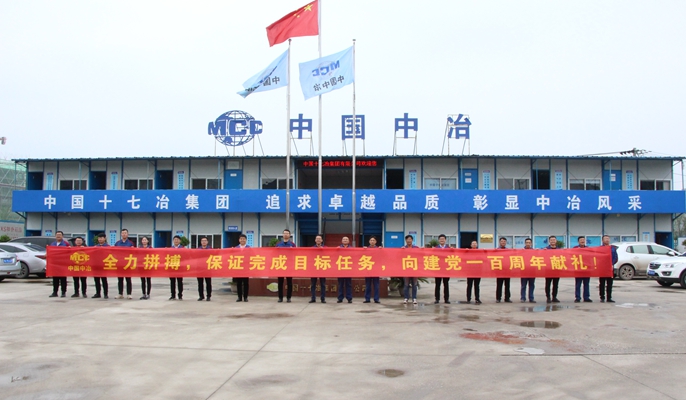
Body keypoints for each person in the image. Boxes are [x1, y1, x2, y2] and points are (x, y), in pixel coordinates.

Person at [276, 229, 296, 303]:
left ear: (289, 235)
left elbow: (296, 254)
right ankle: (280, 297)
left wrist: (292, 250)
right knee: (280, 282)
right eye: (284, 233)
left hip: (289, 265)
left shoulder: (292, 244)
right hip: (280, 264)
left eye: (287, 233)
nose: (286, 234)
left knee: (289, 282)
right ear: (282, 235)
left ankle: (288, 297)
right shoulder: (278, 244)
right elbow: (274, 254)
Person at [114, 229, 134, 299]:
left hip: (128, 263)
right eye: (123, 233)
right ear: (121, 234)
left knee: (128, 279)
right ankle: (120, 293)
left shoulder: (130, 243)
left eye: (125, 233)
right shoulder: (117, 243)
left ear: (128, 234)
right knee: (120, 279)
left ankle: (129, 294)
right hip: (119, 263)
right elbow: (114, 252)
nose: (124, 234)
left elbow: (133, 252)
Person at [48, 231, 70, 298]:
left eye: (60, 235)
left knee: (63, 279)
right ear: (55, 236)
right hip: (55, 264)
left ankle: (63, 292)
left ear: (62, 236)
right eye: (57, 235)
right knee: (55, 279)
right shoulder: (53, 244)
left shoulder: (65, 244)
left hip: (63, 264)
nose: (58, 236)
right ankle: (55, 292)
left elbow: (69, 252)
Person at [573, 236, 592, 303]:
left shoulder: (588, 249)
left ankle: (586, 297)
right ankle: (577, 297)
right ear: (578, 241)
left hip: (586, 269)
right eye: (581, 240)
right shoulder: (575, 248)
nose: (582, 241)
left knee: (586, 284)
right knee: (578, 284)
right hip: (578, 269)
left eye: (583, 240)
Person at [402, 235, 419, 305]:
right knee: (406, 284)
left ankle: (414, 298)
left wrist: (422, 249)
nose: (409, 240)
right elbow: (399, 256)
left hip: (414, 269)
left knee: (414, 284)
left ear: (412, 240)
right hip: (406, 269)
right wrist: (401, 251)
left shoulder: (416, 248)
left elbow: (421, 255)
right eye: (407, 239)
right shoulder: (403, 248)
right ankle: (406, 298)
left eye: (410, 239)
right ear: (406, 240)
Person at [363, 236, 381, 304]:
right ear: (369, 241)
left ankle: (376, 299)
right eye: (371, 240)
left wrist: (381, 249)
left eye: (373, 240)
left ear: (376, 242)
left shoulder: (379, 249)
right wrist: (363, 250)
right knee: (368, 285)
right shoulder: (366, 249)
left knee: (376, 285)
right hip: (368, 269)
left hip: (376, 269)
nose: (372, 241)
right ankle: (367, 298)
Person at [434, 234, 450, 304]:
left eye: (443, 239)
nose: (442, 240)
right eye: (440, 239)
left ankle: (446, 299)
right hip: (438, 269)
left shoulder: (449, 248)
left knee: (446, 284)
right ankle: (437, 299)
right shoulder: (435, 248)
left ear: (445, 240)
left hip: (446, 269)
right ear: (438, 240)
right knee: (437, 285)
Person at [309, 234, 326, 304]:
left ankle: (323, 298)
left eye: (319, 238)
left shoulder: (326, 248)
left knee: (323, 284)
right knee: (313, 284)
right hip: (314, 268)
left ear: (322, 240)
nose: (318, 240)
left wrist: (323, 250)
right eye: (317, 238)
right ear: (315, 240)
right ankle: (313, 298)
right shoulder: (311, 248)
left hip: (322, 267)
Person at [599, 235, 616, 303]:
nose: (607, 240)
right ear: (602, 240)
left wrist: (612, 263)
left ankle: (609, 297)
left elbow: (615, 257)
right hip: (602, 268)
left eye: (608, 238)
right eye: (605, 238)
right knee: (602, 283)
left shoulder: (612, 248)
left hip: (610, 268)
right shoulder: (600, 248)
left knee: (610, 283)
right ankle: (602, 297)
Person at [92, 233, 109, 299]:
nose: (100, 239)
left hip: (104, 266)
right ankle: (98, 293)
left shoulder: (108, 247)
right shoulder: (95, 247)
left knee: (104, 280)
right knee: (96, 280)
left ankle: (105, 294)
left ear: (104, 238)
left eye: (101, 238)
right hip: (96, 266)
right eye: (99, 238)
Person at [337, 236, 353, 303]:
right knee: (340, 284)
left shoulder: (352, 249)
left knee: (348, 284)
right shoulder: (338, 248)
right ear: (342, 241)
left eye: (346, 239)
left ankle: (349, 298)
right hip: (340, 268)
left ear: (349, 241)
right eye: (344, 239)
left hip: (348, 269)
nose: (345, 240)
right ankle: (340, 298)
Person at [495, 237, 512, 303]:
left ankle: (507, 298)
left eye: (504, 241)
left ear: (506, 242)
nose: (503, 242)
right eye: (502, 241)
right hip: (499, 270)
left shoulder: (508, 250)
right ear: (499, 242)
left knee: (507, 285)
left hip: (507, 270)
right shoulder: (496, 250)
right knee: (499, 285)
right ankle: (498, 298)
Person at [545, 235, 561, 303]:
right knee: (548, 284)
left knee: (555, 285)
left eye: (554, 240)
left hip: (556, 269)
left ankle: (554, 297)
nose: (552, 241)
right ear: (549, 241)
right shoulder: (546, 249)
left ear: (556, 241)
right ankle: (548, 297)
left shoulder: (559, 250)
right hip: (548, 269)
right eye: (551, 240)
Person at [235, 234, 250, 302]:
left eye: (244, 239)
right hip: (238, 268)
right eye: (241, 239)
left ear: (246, 240)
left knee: (246, 283)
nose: (242, 240)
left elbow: (252, 256)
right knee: (239, 283)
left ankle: (245, 297)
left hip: (246, 268)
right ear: (239, 240)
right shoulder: (236, 248)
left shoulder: (249, 248)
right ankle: (239, 297)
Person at [520, 238, 536, 303]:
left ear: (531, 243)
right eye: (527, 242)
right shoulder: (521, 251)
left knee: (531, 285)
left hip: (532, 271)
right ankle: (523, 298)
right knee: (523, 285)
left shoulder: (534, 251)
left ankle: (531, 298)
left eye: (529, 243)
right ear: (525, 243)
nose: (528, 244)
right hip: (524, 271)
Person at [196, 237, 212, 301]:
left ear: (207, 242)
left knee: (208, 283)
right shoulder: (197, 250)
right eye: (202, 241)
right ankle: (201, 296)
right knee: (200, 283)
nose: (204, 242)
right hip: (199, 268)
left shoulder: (210, 249)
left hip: (208, 268)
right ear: (201, 242)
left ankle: (208, 296)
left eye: (205, 241)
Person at [169, 235, 184, 300]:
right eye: (175, 239)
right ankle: (173, 295)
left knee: (180, 282)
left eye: (177, 239)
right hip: (172, 267)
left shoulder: (183, 249)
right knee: (172, 282)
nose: (176, 241)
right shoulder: (170, 249)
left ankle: (180, 295)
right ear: (173, 241)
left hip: (180, 268)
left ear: (180, 241)